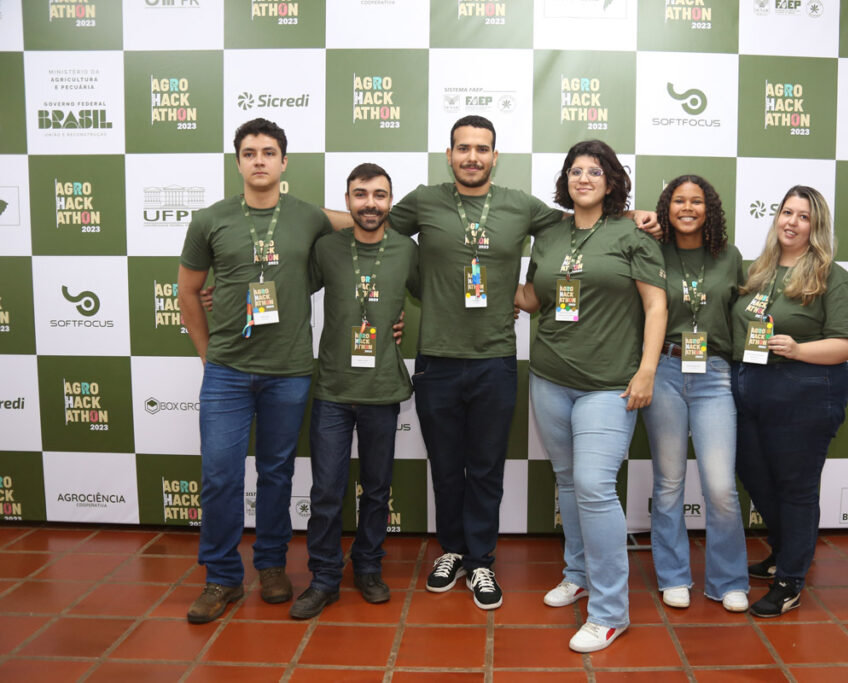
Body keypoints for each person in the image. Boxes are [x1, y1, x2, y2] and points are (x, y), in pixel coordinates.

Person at [324, 116, 658, 611]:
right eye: (463, 148)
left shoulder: (521, 206)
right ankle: (452, 550)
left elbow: (580, 221)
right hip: (437, 359)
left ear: (495, 156)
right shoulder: (424, 200)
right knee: (445, 467)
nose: (472, 156)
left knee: (485, 469)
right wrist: (301, 218)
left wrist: (633, 216)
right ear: (450, 154)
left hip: (497, 359)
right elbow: (369, 220)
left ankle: (481, 559)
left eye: (482, 148)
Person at [178, 118, 332, 624]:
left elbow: (365, 219)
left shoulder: (308, 216)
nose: (260, 160)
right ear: (238, 161)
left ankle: (269, 565)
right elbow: (188, 292)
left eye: (269, 152)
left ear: (285, 162)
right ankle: (221, 577)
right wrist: (208, 356)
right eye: (250, 152)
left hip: (289, 370)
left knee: (276, 473)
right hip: (227, 371)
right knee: (220, 475)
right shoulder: (210, 220)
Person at [515, 140, 667, 652]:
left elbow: (656, 306)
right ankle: (576, 571)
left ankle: (609, 611)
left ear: (611, 180)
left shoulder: (633, 232)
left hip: (609, 384)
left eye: (595, 171)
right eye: (575, 170)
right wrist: (475, 282)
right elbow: (534, 297)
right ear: (566, 179)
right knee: (566, 481)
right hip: (550, 376)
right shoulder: (551, 233)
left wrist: (646, 371)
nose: (584, 178)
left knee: (594, 485)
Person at [289, 164, 419, 619]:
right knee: (326, 489)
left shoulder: (406, 249)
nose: (370, 203)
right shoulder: (326, 248)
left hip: (382, 390)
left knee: (378, 489)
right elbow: (287, 288)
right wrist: (223, 292)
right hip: (332, 390)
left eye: (380, 195)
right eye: (360, 194)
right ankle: (324, 578)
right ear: (347, 201)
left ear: (390, 201)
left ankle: (367, 567)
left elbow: (437, 295)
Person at [731, 185, 848, 618]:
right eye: (786, 212)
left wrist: (800, 349)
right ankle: (786, 551)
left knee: (796, 488)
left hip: (805, 392)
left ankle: (789, 581)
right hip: (753, 388)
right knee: (755, 475)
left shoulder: (831, 276)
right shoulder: (760, 271)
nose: (791, 222)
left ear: (817, 225)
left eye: (803, 216)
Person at [641, 175, 749, 613]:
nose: (688, 207)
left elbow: (745, 313)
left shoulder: (730, 256)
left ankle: (728, 579)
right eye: (679, 200)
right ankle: (673, 575)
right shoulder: (651, 249)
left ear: (711, 209)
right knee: (668, 483)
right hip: (664, 368)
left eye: (698, 201)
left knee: (721, 486)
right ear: (666, 207)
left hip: (715, 374)